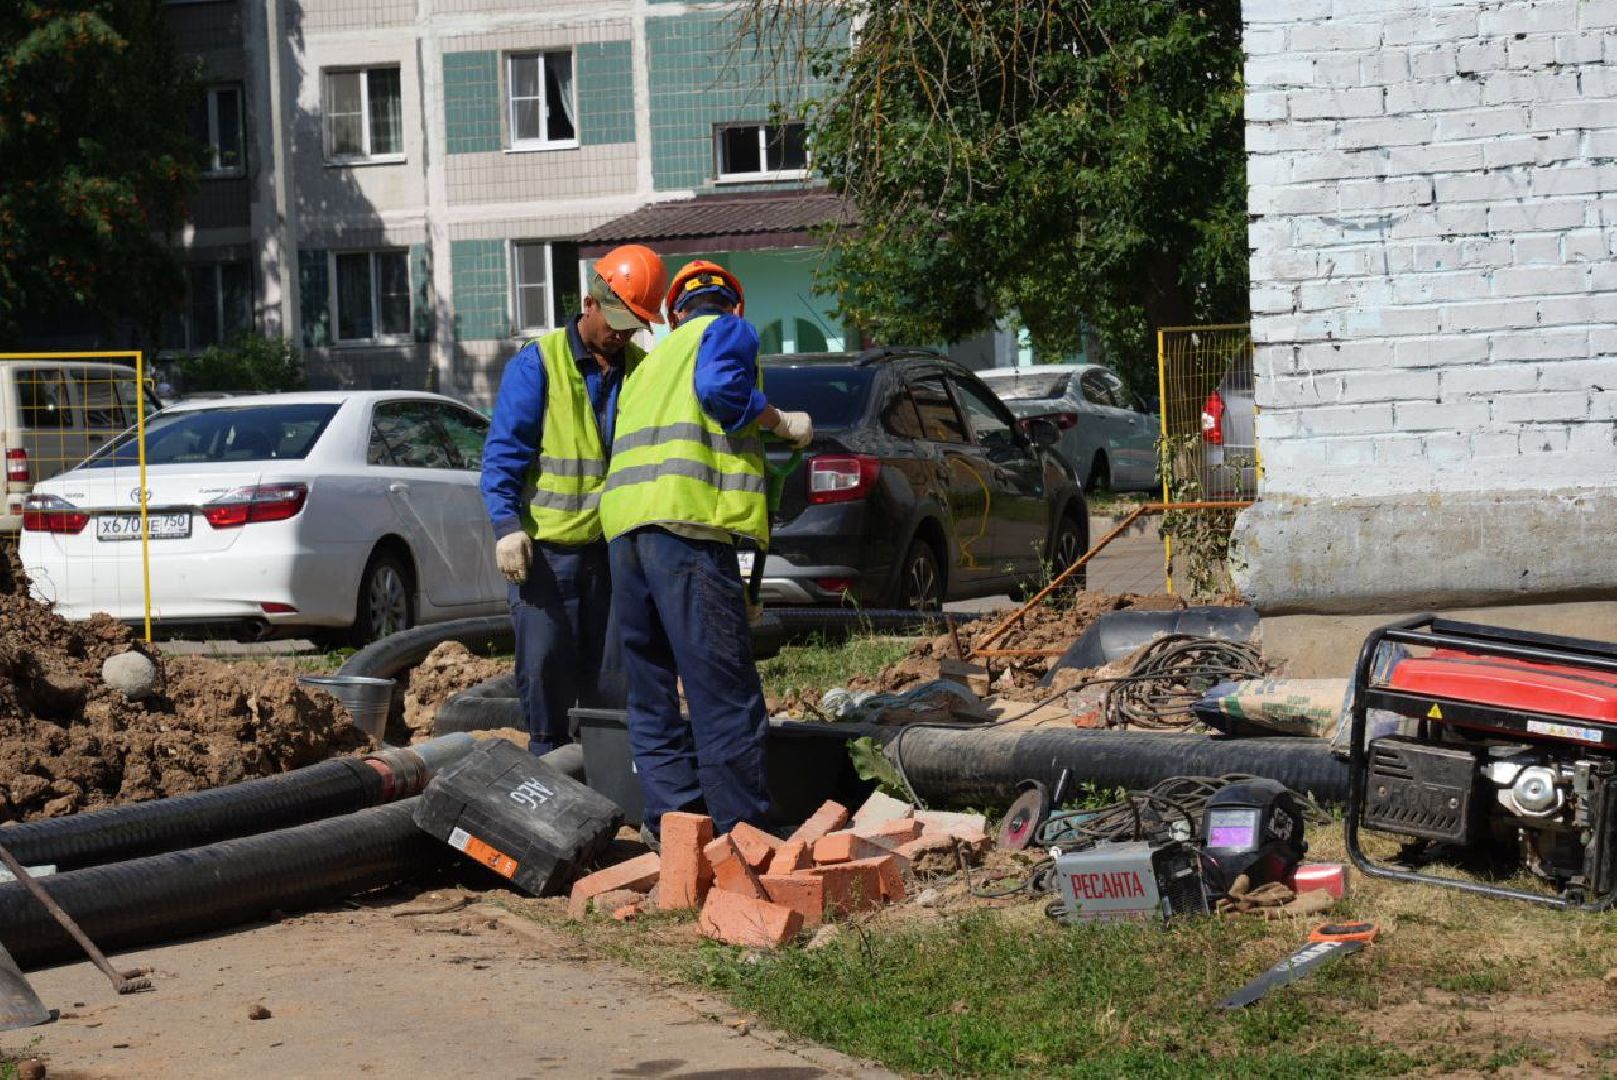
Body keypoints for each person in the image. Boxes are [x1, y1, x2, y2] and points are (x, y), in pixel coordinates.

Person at [599, 260, 814, 841]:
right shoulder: (726, 330)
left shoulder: (650, 363)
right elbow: (721, 391)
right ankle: (742, 834)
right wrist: (777, 420)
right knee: (723, 690)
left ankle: (675, 829)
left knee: (650, 692)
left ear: (674, 310)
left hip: (625, 533)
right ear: (734, 305)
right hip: (687, 531)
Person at [479, 244, 668, 758]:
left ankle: (608, 773)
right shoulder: (538, 364)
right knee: (545, 672)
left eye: (634, 324)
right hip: (548, 555)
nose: (624, 333)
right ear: (590, 303)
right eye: (618, 320)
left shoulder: (641, 369)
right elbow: (503, 456)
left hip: (613, 554)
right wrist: (505, 527)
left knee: (613, 678)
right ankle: (549, 772)